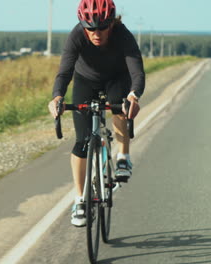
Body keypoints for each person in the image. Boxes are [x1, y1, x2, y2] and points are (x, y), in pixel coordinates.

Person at [47, 0, 145, 227]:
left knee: (119, 104)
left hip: (116, 78)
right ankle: (80, 200)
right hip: (85, 81)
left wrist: (134, 96)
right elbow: (64, 72)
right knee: (81, 143)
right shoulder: (77, 35)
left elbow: (137, 72)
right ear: (83, 24)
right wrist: (57, 97)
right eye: (90, 28)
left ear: (112, 22)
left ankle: (123, 157)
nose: (96, 33)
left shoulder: (123, 35)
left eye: (102, 27)